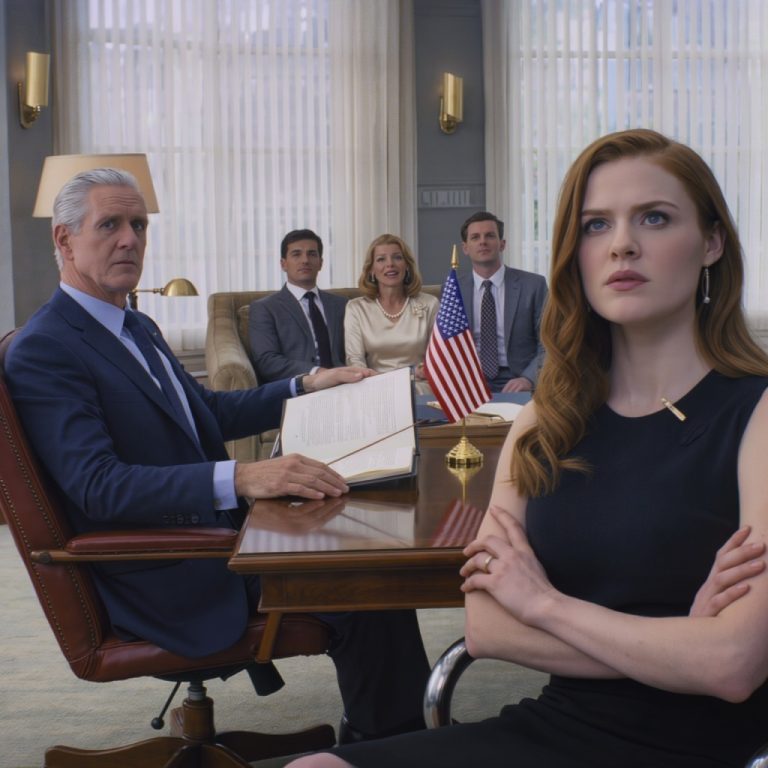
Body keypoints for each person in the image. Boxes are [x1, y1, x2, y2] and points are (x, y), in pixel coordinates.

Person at [287, 129, 768, 767]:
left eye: (655, 217)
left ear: (711, 242)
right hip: (555, 727)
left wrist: (541, 605)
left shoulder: (757, 412)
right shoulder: (545, 420)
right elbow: (488, 628)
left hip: (703, 749)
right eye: (596, 225)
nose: (622, 243)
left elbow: (732, 666)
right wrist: (681, 645)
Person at [4, 169, 431, 744]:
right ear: (65, 239)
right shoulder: (46, 348)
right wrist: (245, 476)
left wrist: (307, 385)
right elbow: (98, 486)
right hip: (170, 568)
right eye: (110, 225)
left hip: (215, 537)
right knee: (370, 582)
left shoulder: (135, 324)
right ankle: (390, 747)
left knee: (364, 537)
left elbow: (206, 412)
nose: (130, 239)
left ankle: (384, 734)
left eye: (139, 225)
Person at [458, 211, 548, 393]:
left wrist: (528, 379)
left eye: (490, 236)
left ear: (502, 244)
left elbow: (549, 343)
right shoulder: (454, 289)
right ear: (465, 248)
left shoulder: (533, 285)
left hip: (519, 379)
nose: (483, 242)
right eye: (475, 237)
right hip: (470, 382)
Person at [249, 229, 348, 382]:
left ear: (321, 263)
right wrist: (318, 372)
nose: (305, 260)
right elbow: (267, 361)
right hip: (300, 387)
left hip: (345, 383)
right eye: (296, 254)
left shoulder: (342, 304)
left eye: (312, 254)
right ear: (283, 264)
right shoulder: (265, 308)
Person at [344, 234, 438, 395]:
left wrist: (415, 375)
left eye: (397, 257)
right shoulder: (356, 308)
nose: (390, 264)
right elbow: (355, 361)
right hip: (375, 390)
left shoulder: (430, 304)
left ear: (407, 265)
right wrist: (386, 384)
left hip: (421, 390)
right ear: (371, 269)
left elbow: (439, 357)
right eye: (381, 259)